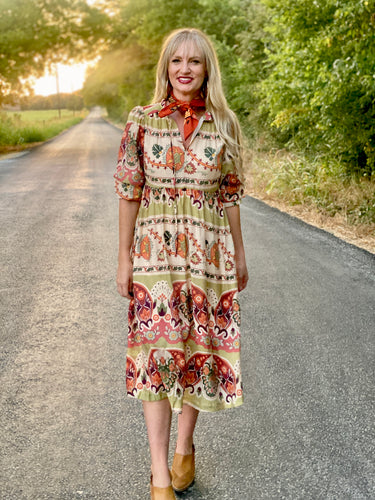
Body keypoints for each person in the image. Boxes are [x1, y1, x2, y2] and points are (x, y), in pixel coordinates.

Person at [114, 27, 249, 500]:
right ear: (165, 67)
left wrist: (240, 254)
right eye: (176, 61)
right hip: (156, 257)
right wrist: (124, 259)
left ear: (207, 68)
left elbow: (230, 194)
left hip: (209, 258)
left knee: (196, 353)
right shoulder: (141, 121)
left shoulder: (225, 123)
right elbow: (129, 192)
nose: (185, 69)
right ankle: (159, 475)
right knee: (157, 357)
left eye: (194, 61)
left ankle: (185, 448)